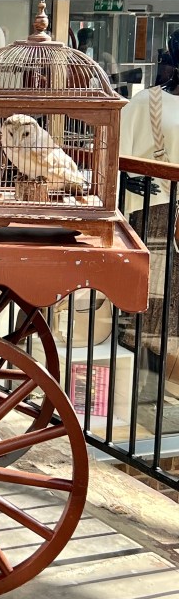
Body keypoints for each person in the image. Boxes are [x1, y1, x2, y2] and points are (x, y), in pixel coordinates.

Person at [119, 30, 179, 429]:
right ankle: (139, 395)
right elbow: (113, 155)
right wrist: (128, 178)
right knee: (147, 312)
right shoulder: (146, 103)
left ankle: (164, 394)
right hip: (155, 213)